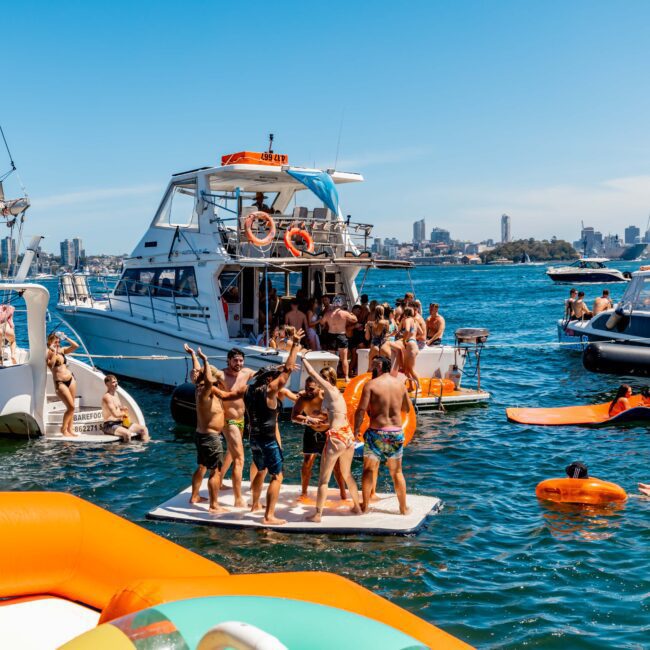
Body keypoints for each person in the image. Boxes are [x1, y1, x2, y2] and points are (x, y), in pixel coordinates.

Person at [215, 328, 304, 525]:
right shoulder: (270, 391)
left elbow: (223, 395)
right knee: (277, 476)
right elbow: (288, 371)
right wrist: (295, 346)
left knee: (261, 470)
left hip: (253, 437)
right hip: (268, 439)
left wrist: (205, 385)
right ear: (269, 379)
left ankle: (255, 504)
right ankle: (269, 516)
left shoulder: (247, 389)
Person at [303, 359, 361, 523]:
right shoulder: (337, 393)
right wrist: (317, 417)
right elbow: (334, 416)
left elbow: (311, 373)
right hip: (347, 435)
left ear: (328, 379)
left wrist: (303, 357)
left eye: (323, 377)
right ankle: (356, 507)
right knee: (347, 474)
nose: (319, 380)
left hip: (336, 437)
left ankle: (318, 515)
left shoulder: (328, 388)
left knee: (323, 479)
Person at [354, 355, 410, 515]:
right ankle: (403, 508)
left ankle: (365, 506)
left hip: (376, 433)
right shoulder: (400, 385)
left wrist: (356, 429)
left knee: (368, 470)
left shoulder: (371, 385)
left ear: (378, 367)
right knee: (397, 472)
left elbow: (361, 410)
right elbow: (406, 408)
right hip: (396, 433)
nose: (371, 369)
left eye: (372, 366)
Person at [184, 344, 228, 514]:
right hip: (210, 438)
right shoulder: (206, 391)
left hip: (201, 435)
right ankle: (214, 505)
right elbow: (208, 380)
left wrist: (193, 355)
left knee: (202, 466)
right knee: (215, 471)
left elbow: (200, 373)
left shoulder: (199, 388)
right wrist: (205, 360)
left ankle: (194, 496)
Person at [291, 376, 346, 500]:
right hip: (311, 431)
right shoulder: (303, 398)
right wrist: (307, 419)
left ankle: (343, 494)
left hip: (327, 431)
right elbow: (294, 416)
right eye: (306, 388)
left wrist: (325, 420)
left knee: (336, 464)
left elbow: (340, 412)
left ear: (319, 387)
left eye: (311, 389)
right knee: (307, 462)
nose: (308, 391)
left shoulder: (326, 397)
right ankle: (304, 493)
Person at [218, 348, 256, 508]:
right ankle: (238, 498)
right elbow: (203, 376)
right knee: (240, 458)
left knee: (231, 454)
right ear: (228, 361)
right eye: (235, 360)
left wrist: (283, 368)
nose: (238, 363)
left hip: (241, 420)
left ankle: (219, 480)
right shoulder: (221, 375)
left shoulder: (246, 373)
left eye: (241, 360)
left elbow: (264, 375)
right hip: (229, 421)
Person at [46, 331, 80, 437]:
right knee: (71, 407)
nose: (57, 342)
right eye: (55, 340)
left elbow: (76, 346)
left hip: (71, 379)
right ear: (50, 342)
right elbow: (51, 366)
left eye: (58, 340)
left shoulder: (62, 350)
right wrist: (54, 352)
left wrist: (66, 337)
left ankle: (70, 429)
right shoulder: (49, 353)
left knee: (72, 406)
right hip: (60, 383)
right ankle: (63, 429)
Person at [101, 374, 150, 442]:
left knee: (144, 429)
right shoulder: (107, 397)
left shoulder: (116, 394)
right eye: (113, 382)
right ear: (107, 384)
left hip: (121, 423)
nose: (116, 383)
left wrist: (122, 408)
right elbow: (115, 414)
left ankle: (145, 448)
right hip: (109, 425)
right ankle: (127, 451)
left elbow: (117, 408)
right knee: (127, 434)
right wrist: (124, 413)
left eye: (116, 381)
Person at [321, 297, 357, 381]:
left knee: (331, 359)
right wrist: (350, 313)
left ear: (333, 303)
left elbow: (322, 322)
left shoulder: (328, 313)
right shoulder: (345, 313)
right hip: (341, 336)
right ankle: (346, 377)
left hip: (331, 335)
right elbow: (355, 320)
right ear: (341, 304)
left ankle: (330, 377)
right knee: (344, 359)